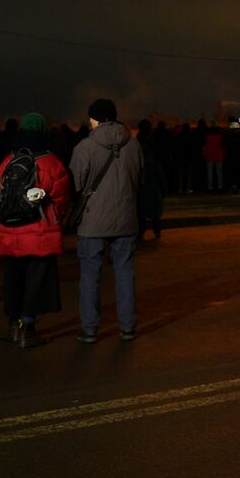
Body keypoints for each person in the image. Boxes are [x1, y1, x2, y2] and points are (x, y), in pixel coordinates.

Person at [0, 113, 71, 349]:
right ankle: (28, 329)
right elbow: (61, 199)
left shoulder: (8, 161)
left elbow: (0, 195)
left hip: (9, 232)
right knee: (36, 282)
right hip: (39, 233)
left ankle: (11, 326)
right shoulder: (52, 163)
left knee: (13, 280)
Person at [70, 98, 144, 344]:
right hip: (125, 217)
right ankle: (127, 327)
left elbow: (77, 185)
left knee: (91, 275)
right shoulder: (133, 145)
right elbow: (139, 180)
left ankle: (90, 329)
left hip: (93, 220)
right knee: (125, 273)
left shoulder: (84, 147)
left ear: (94, 119)